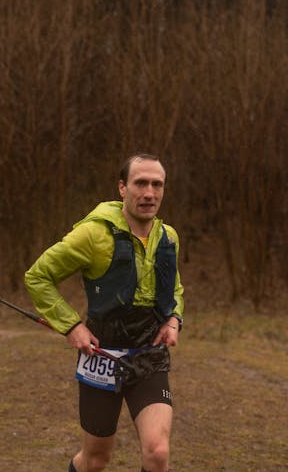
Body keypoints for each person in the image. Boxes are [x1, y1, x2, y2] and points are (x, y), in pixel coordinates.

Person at [25, 154, 184, 472]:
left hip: (149, 355)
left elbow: (174, 289)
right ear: (122, 188)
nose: (149, 193)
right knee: (96, 460)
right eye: (140, 183)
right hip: (101, 354)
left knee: (158, 452)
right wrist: (71, 326)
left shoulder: (168, 238)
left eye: (157, 184)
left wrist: (173, 319)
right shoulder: (93, 235)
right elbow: (38, 277)